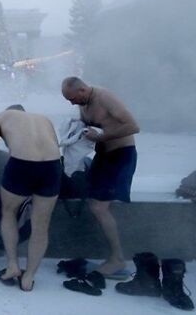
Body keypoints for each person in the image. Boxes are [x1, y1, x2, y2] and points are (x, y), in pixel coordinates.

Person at [61, 76, 140, 277]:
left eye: (72, 99)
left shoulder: (105, 97)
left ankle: (117, 259)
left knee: (98, 206)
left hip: (121, 156)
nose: (71, 103)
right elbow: (88, 129)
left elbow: (133, 126)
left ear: (83, 90)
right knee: (87, 196)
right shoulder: (83, 103)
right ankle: (110, 255)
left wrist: (101, 136)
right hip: (103, 156)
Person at [0, 104, 61, 292]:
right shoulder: (43, 118)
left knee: (8, 213)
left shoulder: (2, 116)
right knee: (41, 226)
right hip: (51, 167)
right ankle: (29, 277)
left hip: (21, 166)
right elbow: (54, 146)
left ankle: (12, 266)